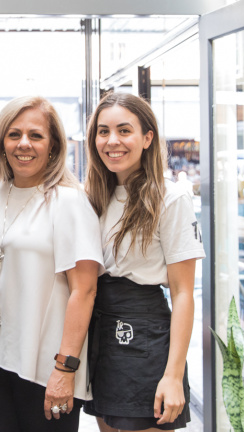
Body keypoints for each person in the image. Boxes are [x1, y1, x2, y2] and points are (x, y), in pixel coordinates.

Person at [0, 96, 103, 432]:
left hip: (47, 367)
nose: (24, 144)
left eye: (36, 135)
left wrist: (65, 369)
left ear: (53, 146)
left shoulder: (69, 202)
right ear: (1, 143)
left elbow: (85, 291)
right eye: (14, 134)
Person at [83, 93, 206, 432]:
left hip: (146, 337)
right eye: (103, 131)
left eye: (124, 130)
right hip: (100, 333)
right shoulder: (93, 197)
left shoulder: (171, 198)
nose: (112, 141)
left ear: (148, 138)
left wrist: (173, 375)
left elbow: (183, 293)